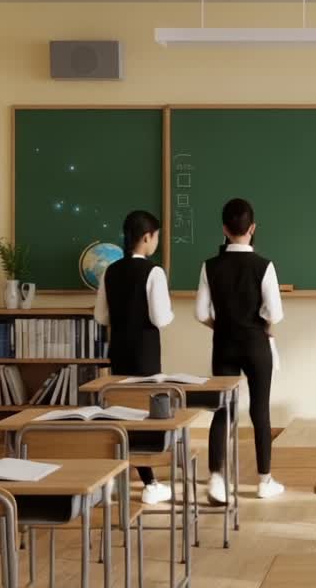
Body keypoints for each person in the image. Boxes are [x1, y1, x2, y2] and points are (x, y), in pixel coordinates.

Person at [195, 198, 284, 501]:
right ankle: (264, 481)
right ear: (252, 228)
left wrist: (221, 326)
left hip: (224, 344)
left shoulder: (210, 266)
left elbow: (200, 313)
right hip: (256, 344)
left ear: (224, 229)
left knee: (223, 409)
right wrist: (260, 325)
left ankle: (216, 480)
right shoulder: (264, 266)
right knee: (260, 410)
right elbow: (274, 314)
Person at [94, 209, 175, 505]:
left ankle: (115, 478)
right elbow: (160, 318)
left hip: (119, 351)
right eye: (156, 236)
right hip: (145, 353)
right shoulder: (154, 272)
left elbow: (101, 316)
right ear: (147, 237)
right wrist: (170, 313)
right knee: (145, 418)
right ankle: (150, 483)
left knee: (121, 414)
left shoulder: (110, 271)